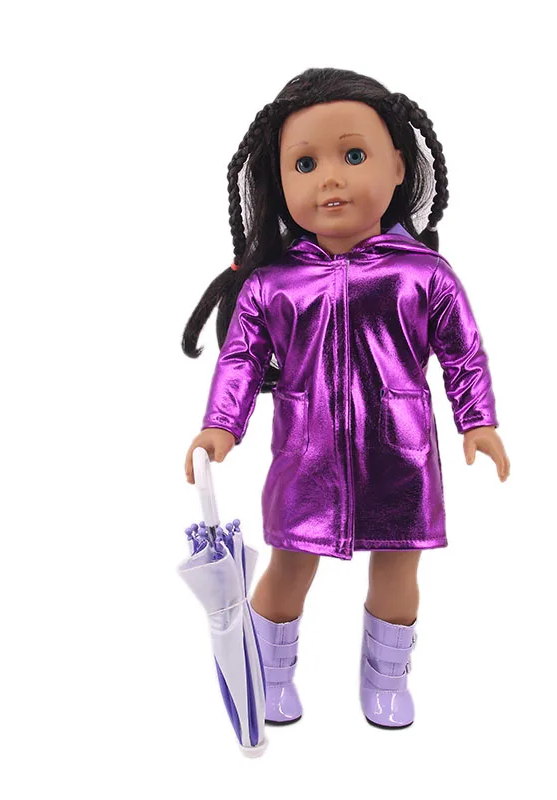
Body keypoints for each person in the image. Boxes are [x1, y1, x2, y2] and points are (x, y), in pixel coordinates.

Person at [181, 67, 510, 730]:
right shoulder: (273, 283)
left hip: (400, 453)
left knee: (398, 572)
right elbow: (241, 357)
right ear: (277, 180)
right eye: (305, 164)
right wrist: (221, 424)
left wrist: (478, 421)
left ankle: (386, 683)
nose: (329, 179)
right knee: (288, 567)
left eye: (353, 156)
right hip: (307, 456)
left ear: (398, 165)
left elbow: (462, 352)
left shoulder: (423, 274)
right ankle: (269, 678)